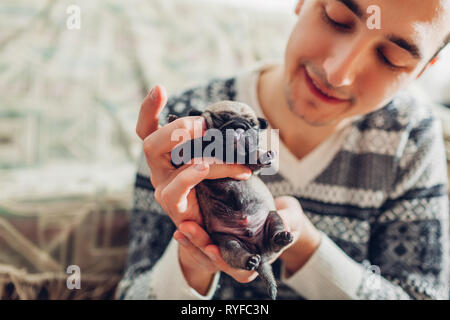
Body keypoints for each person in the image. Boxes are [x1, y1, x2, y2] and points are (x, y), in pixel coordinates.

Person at [116, 0, 450, 300]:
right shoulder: (188, 124)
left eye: (392, 58)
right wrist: (192, 263)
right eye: (337, 18)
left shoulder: (411, 139)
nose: (338, 73)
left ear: (423, 69)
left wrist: (305, 247)